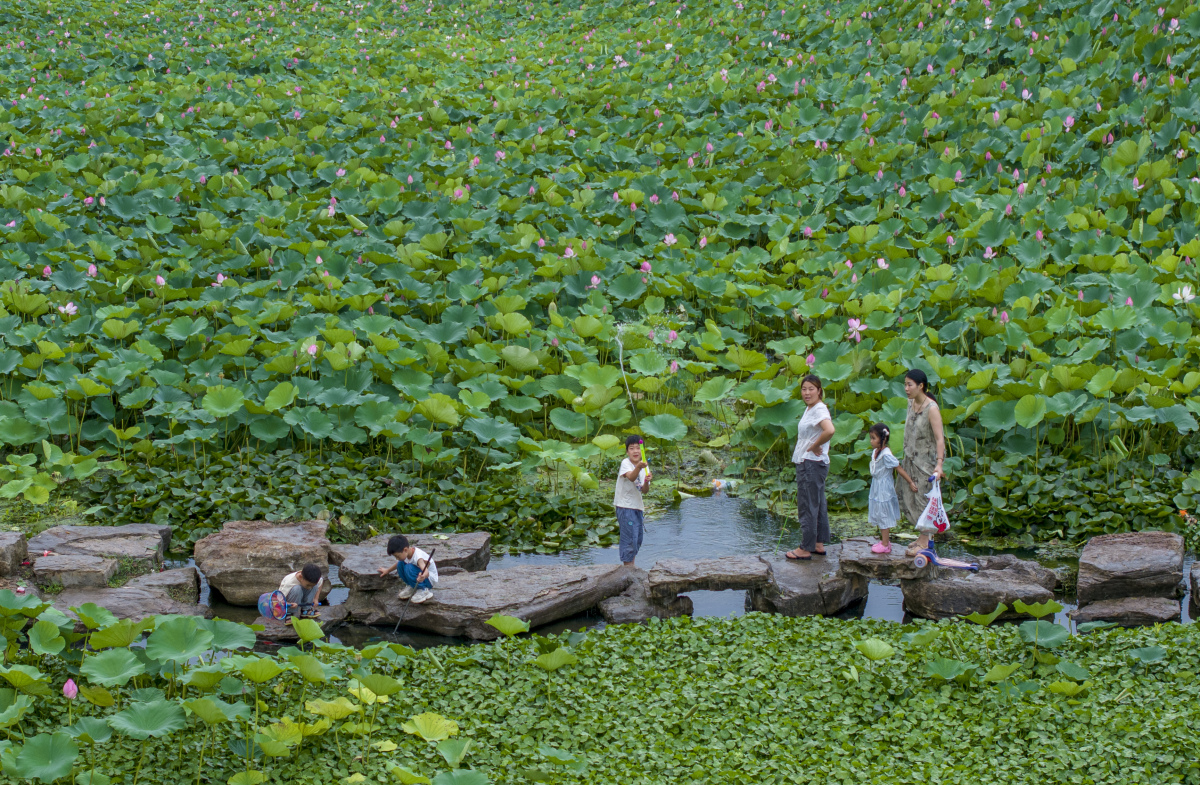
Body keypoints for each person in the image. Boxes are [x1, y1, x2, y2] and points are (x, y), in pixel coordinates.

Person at [897, 369, 947, 557]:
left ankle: (925, 542)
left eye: (910, 384)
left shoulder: (931, 408)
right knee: (909, 496)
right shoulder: (911, 403)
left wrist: (939, 465)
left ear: (921, 386)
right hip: (910, 458)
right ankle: (922, 537)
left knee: (924, 500)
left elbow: (939, 439)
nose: (906, 388)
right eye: (905, 384)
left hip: (926, 462)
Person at [786, 375, 835, 560]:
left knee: (807, 505)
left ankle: (805, 548)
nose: (807, 393)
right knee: (818, 503)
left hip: (811, 463)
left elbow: (829, 430)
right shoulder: (812, 408)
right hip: (816, 463)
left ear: (819, 391)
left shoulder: (819, 409)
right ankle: (818, 543)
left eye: (811, 389)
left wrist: (814, 445)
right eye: (804, 389)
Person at [866, 423, 919, 554]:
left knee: (884, 513)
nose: (871, 441)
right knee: (878, 511)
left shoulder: (886, 454)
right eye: (871, 438)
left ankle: (885, 544)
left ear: (882, 439)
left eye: (874, 438)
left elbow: (898, 468)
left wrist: (910, 482)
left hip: (884, 488)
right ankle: (884, 540)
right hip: (876, 486)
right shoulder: (875, 452)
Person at [614, 435, 651, 566]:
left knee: (637, 540)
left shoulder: (645, 467)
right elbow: (630, 477)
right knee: (629, 541)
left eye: (638, 448)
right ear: (627, 451)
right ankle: (628, 573)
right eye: (631, 448)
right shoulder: (626, 463)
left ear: (642, 451)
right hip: (625, 507)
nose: (635, 451)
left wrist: (646, 481)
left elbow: (644, 490)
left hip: (637, 508)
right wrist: (639, 467)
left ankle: (631, 569)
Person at [376, 535, 438, 604]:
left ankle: (423, 590)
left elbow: (426, 572)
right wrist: (387, 570)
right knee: (400, 564)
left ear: (405, 550)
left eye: (397, 556)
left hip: (428, 580)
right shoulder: (406, 553)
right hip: (418, 576)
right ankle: (412, 586)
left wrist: (423, 576)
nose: (397, 558)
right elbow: (397, 564)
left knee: (409, 568)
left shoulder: (418, 557)